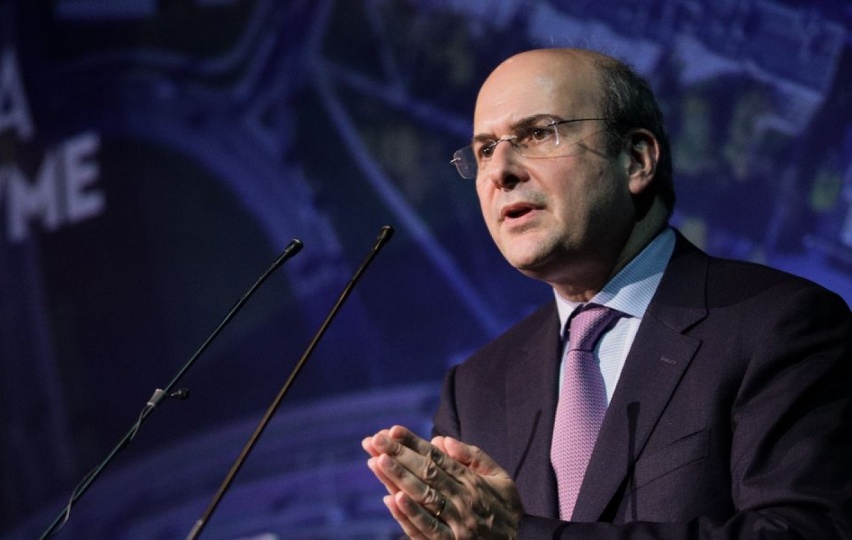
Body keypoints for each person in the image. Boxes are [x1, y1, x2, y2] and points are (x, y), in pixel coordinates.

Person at [362, 48, 852, 539]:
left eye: (538, 134)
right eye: (485, 149)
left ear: (636, 159)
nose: (500, 172)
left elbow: (802, 532)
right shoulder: (476, 389)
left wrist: (521, 536)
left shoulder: (778, 325)